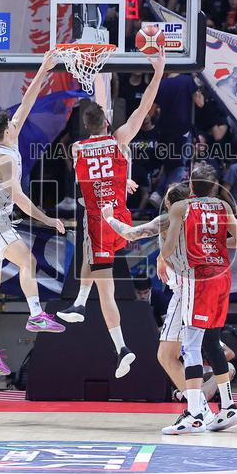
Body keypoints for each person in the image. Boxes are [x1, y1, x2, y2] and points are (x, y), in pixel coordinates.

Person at [56, 52, 166, 379]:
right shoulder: (119, 141)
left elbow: (93, 163)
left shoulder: (76, 149)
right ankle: (121, 348)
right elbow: (143, 108)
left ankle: (81, 304)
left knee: (95, 269)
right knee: (102, 284)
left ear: (85, 126)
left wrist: (98, 77)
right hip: (119, 217)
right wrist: (158, 72)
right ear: (106, 122)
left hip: (100, 221)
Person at [0, 52, 66, 375]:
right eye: (12, 124)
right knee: (28, 261)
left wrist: (45, 68)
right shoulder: (3, 158)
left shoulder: (4, 141)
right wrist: (48, 219)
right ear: (7, 132)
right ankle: (36, 314)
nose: (17, 123)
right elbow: (20, 199)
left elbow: (28, 100)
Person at [158, 164, 237, 434]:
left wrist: (163, 258)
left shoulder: (181, 207)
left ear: (190, 185)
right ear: (214, 187)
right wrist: (217, 245)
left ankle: (195, 414)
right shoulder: (223, 207)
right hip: (222, 276)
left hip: (199, 278)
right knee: (211, 340)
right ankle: (228, 407)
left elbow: (170, 246)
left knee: (191, 346)